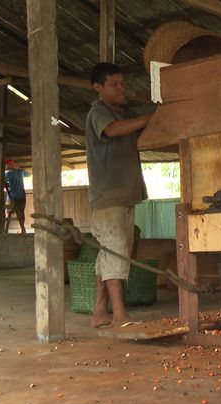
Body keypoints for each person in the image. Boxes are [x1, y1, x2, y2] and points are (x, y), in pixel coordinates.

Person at [86, 62, 152, 328]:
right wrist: (151, 118)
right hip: (109, 199)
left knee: (110, 254)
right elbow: (111, 131)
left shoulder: (123, 115)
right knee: (116, 255)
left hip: (124, 197)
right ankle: (120, 314)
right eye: (115, 84)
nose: (121, 88)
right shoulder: (99, 113)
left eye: (122, 83)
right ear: (98, 88)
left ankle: (100, 311)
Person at [4, 159, 30, 234]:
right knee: (21, 213)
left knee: (8, 213)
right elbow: (28, 174)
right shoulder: (20, 172)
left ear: (9, 165)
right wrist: (19, 168)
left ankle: (6, 230)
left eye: (7, 165)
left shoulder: (8, 174)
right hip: (22, 196)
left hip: (12, 196)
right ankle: (23, 229)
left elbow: (2, 182)